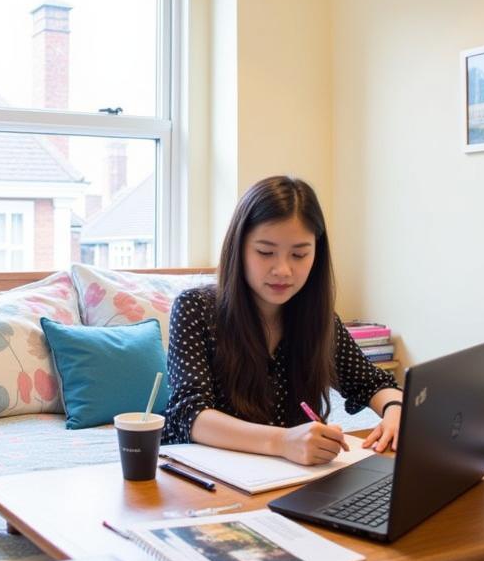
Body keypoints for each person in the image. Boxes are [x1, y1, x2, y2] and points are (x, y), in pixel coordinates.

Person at [163, 175, 402, 464]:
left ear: (317, 253)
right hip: (204, 475)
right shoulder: (195, 309)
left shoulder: (318, 319)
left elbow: (371, 383)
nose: (283, 270)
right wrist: (282, 441)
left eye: (300, 254)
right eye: (265, 252)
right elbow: (190, 414)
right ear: (239, 248)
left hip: (289, 475)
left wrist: (395, 409)